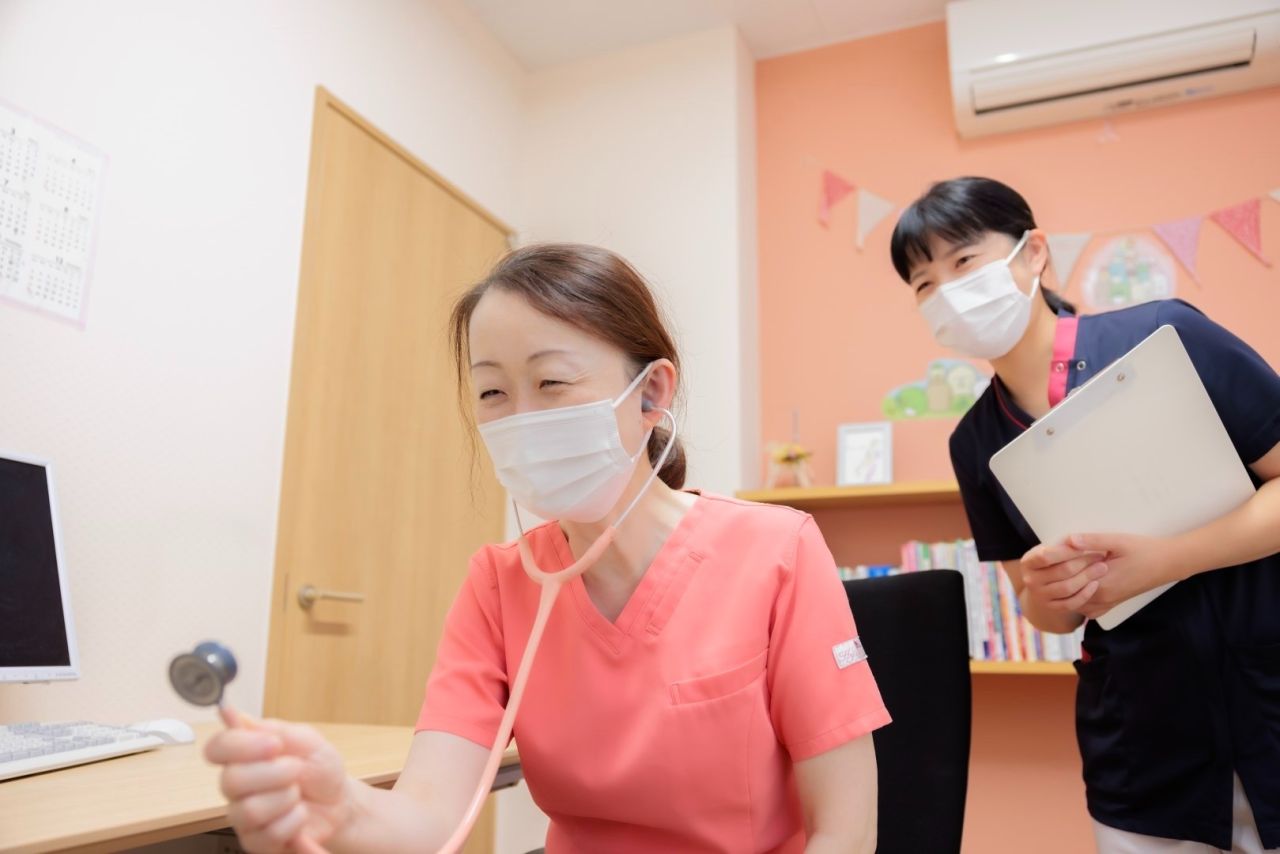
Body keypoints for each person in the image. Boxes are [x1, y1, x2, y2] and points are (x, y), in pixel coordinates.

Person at [205, 243, 889, 853]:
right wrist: (342, 808)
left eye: (552, 382)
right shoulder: (499, 584)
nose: (521, 420)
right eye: (493, 392)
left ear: (651, 392)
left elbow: (846, 831)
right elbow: (430, 818)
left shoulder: (776, 552)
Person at [890, 176, 1280, 853]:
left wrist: (1164, 561)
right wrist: (1050, 592)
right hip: (1142, 749)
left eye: (964, 261)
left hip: (1265, 697)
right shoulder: (975, 442)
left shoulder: (1165, 336)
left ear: (1034, 252)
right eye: (924, 284)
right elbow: (1045, 612)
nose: (947, 292)